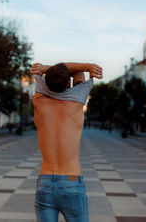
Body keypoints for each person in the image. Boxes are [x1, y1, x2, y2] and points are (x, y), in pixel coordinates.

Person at [31, 62, 103, 222]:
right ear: (69, 83)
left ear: (47, 83)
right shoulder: (77, 101)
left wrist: (43, 69)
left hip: (45, 182)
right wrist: (89, 66)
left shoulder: (39, 101)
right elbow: (79, 73)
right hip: (71, 182)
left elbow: (55, 74)